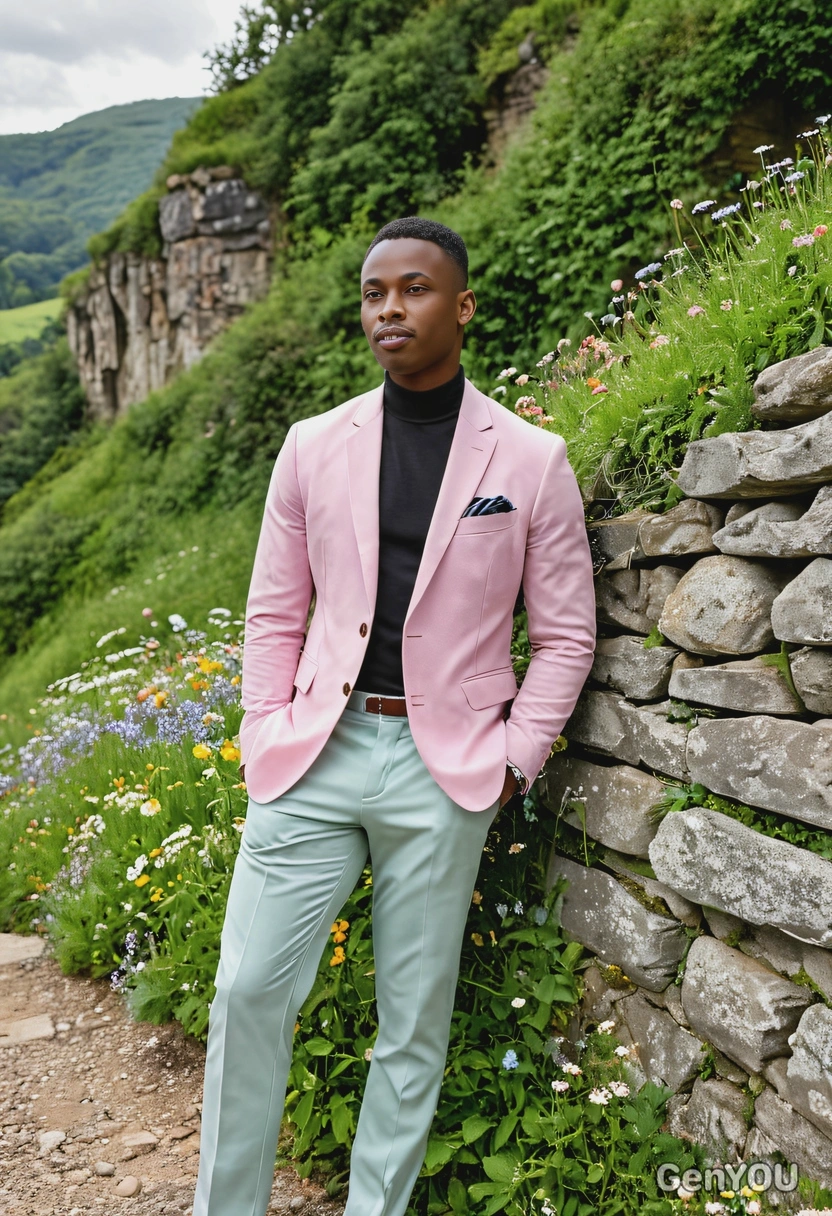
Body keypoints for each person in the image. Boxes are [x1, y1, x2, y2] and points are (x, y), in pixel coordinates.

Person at [192, 216, 596, 1216]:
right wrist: (259, 730)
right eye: (373, 293)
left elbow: (565, 636)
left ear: (460, 305)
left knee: (409, 1025)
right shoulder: (312, 445)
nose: (388, 309)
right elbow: (273, 610)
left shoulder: (534, 460)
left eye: (412, 289)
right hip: (313, 756)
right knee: (247, 995)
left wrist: (513, 760)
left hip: (444, 767)